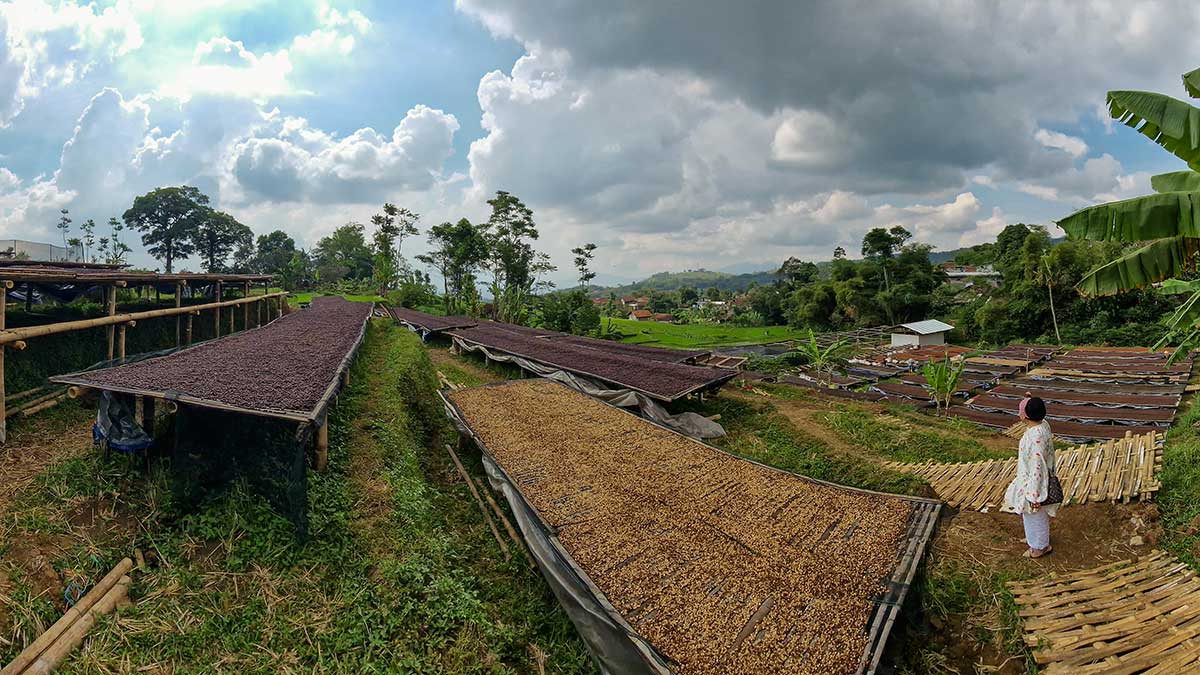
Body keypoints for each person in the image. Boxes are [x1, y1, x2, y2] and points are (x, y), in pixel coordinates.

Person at [1001, 395, 1057, 558]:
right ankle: (1034, 538)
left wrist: (1034, 495)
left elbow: (1037, 467)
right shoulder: (1042, 425)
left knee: (1034, 514)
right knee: (1030, 515)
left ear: (1025, 416)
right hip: (1032, 479)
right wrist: (1030, 400)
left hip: (1034, 483)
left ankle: (1040, 547)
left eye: (1021, 410)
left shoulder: (1035, 438)